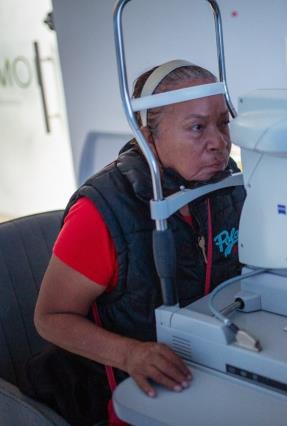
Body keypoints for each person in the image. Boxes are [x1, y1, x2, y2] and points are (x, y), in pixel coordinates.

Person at [23, 60, 245, 425]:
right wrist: (129, 354)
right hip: (123, 392)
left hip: (205, 371)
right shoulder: (102, 212)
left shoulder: (223, 187)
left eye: (223, 122)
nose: (219, 143)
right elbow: (49, 318)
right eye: (196, 127)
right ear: (148, 135)